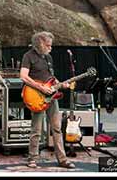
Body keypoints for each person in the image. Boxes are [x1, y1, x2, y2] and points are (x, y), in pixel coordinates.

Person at [19, 31, 75, 169]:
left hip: (51, 97)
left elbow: (51, 77)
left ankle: (62, 159)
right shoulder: (28, 56)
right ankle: (32, 158)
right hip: (37, 96)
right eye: (48, 45)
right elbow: (23, 76)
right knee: (36, 129)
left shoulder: (48, 57)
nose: (51, 48)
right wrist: (41, 88)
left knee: (57, 128)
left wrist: (62, 84)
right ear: (40, 44)